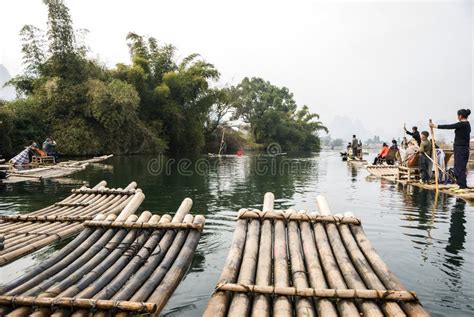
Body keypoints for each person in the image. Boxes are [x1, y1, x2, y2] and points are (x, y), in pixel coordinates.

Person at [430, 109, 471, 189]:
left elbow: (448, 126)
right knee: (461, 167)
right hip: (464, 148)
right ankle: (462, 185)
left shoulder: (462, 124)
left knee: (458, 168)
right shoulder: (467, 124)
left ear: (460, 116)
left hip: (460, 148)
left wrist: (435, 126)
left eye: (457, 116)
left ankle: (462, 186)